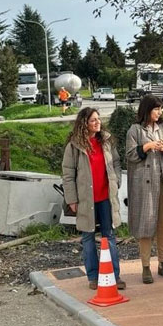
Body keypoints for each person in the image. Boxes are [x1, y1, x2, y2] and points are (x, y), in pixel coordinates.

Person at [61, 107, 124, 290]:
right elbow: (67, 174)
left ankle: (115, 275)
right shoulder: (74, 146)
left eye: (98, 119)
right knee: (88, 237)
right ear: (84, 124)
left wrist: (116, 180)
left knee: (109, 235)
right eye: (93, 120)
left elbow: (116, 162)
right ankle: (93, 277)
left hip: (106, 196)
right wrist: (72, 199)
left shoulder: (106, 141)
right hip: (85, 199)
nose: (98, 123)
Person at [125, 95, 163, 284]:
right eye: (156, 109)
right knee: (145, 224)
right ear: (147, 110)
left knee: (162, 224)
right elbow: (130, 154)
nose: (159, 113)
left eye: (161, 109)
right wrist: (146, 146)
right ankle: (145, 265)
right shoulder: (135, 130)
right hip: (144, 183)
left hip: (162, 180)